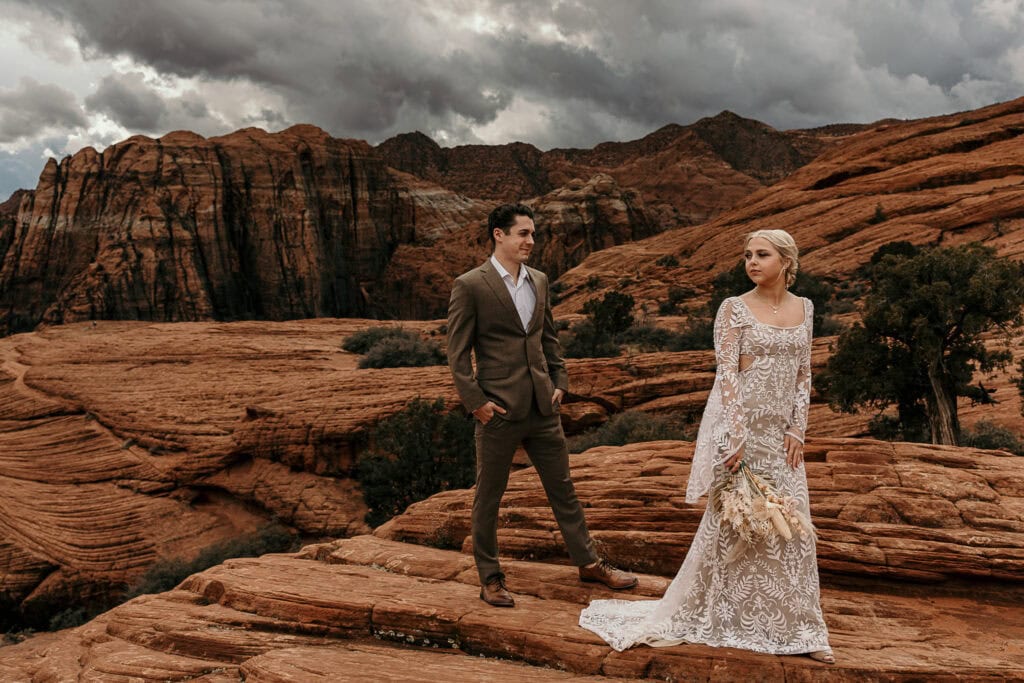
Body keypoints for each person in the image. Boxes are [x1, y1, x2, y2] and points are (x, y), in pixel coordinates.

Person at [578, 229, 834, 664]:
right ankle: (726, 614)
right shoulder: (733, 309)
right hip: (740, 432)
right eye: (747, 255)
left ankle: (803, 628)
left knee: (793, 527)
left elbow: (803, 372)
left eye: (762, 255)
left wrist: (798, 430)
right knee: (735, 525)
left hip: (781, 436)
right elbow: (728, 374)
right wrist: (734, 436)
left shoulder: (805, 308)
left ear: (786, 261)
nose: (751, 262)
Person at [447, 203, 638, 608]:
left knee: (563, 489)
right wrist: (476, 403)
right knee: (489, 496)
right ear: (498, 235)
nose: (531, 242)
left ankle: (588, 563)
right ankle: (490, 577)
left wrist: (560, 382)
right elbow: (458, 354)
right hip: (498, 411)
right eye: (523, 234)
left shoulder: (539, 280)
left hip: (543, 406)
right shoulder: (471, 285)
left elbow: (547, 337)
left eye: (533, 234)